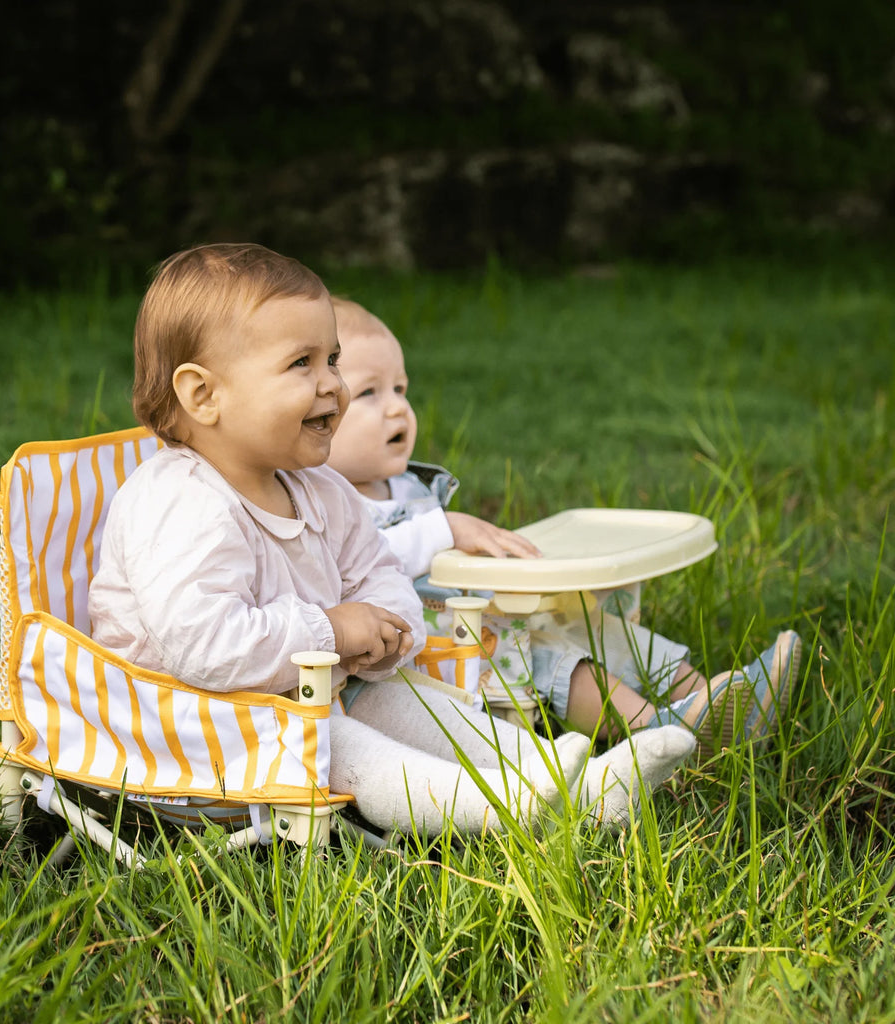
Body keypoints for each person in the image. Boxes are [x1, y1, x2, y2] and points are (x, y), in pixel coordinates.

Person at [88, 242, 690, 836]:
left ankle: (560, 776)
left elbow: (375, 568)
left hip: (302, 692)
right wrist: (333, 630)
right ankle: (506, 808)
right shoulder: (181, 503)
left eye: (333, 359)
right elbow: (206, 646)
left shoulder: (316, 485)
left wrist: (389, 626)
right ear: (204, 395)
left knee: (419, 703)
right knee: (342, 744)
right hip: (187, 730)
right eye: (302, 363)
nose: (332, 384)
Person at [325, 295, 803, 759]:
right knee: (555, 656)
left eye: (401, 389)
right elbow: (361, 562)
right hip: (443, 653)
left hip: (492, 616)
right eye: (369, 392)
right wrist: (444, 528)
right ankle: (663, 737)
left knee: (594, 627)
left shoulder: (407, 487)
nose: (397, 409)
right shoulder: (324, 502)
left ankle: (714, 699)